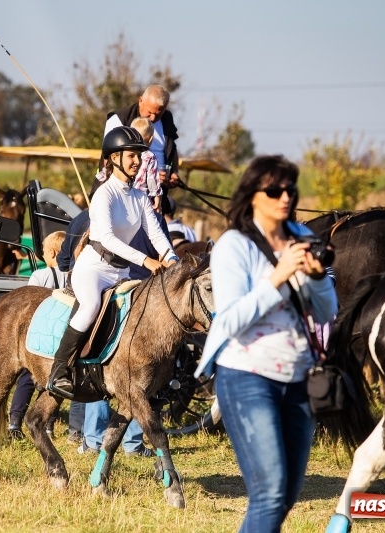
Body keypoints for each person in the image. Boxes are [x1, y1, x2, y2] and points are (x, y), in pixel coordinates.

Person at [194, 154, 338, 532]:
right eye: (274, 190)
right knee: (270, 493)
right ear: (253, 195)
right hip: (247, 377)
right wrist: (277, 277)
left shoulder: (302, 238)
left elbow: (325, 313)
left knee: (287, 495)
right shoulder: (234, 245)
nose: (284, 196)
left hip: (299, 378)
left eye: (290, 189)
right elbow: (229, 320)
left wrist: (319, 278)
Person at [46, 126, 178, 403]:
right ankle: (59, 371)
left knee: (142, 314)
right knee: (91, 307)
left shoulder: (140, 198)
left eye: (139, 156)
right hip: (93, 269)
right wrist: (147, 260)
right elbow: (105, 237)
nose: (137, 161)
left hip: (121, 272)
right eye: (131, 155)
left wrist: (173, 261)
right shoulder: (104, 195)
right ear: (113, 158)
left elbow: (155, 234)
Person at [8, 231, 67, 440]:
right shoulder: (71, 276)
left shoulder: (39, 276)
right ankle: (49, 424)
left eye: (43, 251)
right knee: (53, 381)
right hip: (60, 337)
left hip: (39, 334)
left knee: (26, 377)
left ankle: (15, 420)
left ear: (51, 253)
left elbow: (28, 303)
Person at [104, 85, 181, 214]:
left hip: (155, 197)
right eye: (149, 112)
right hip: (124, 194)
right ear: (141, 101)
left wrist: (173, 173)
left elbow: (172, 149)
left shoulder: (167, 119)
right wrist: (151, 176)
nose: (152, 118)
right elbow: (110, 158)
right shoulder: (119, 119)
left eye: (158, 113)